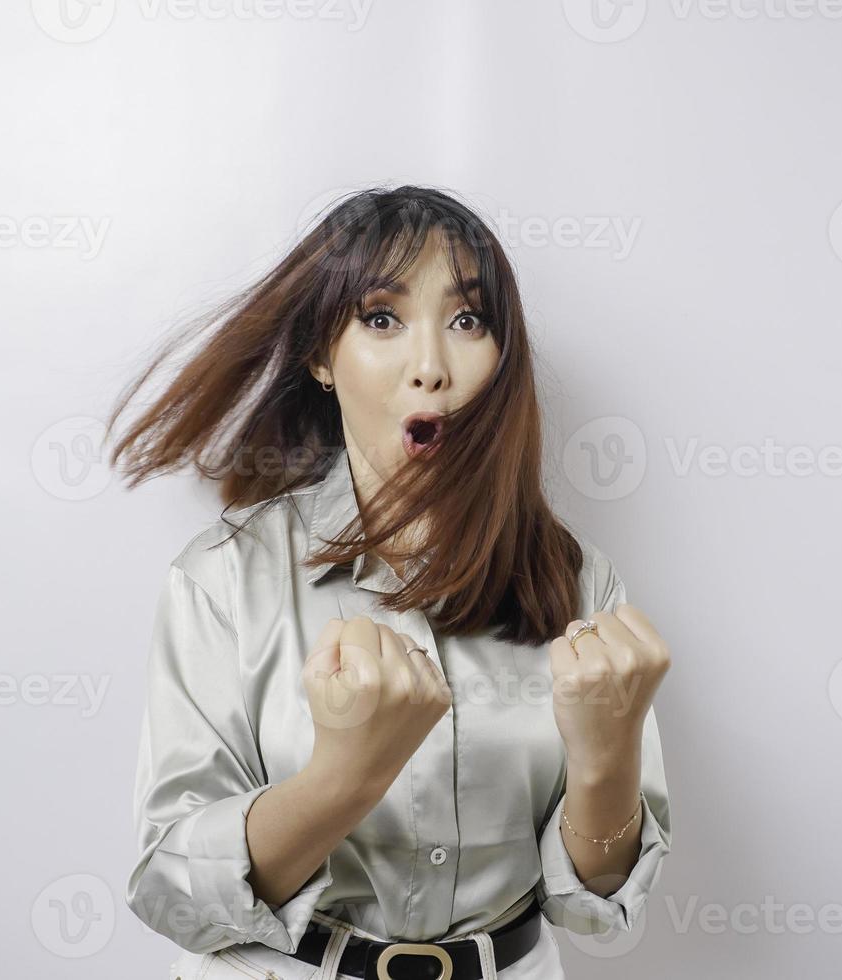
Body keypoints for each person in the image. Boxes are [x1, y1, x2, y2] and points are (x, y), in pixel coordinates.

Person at [105, 186, 673, 979]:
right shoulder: (226, 577)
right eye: (382, 319)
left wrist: (607, 758)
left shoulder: (577, 585)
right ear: (320, 356)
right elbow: (174, 897)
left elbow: (594, 907)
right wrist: (345, 775)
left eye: (468, 321)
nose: (431, 368)